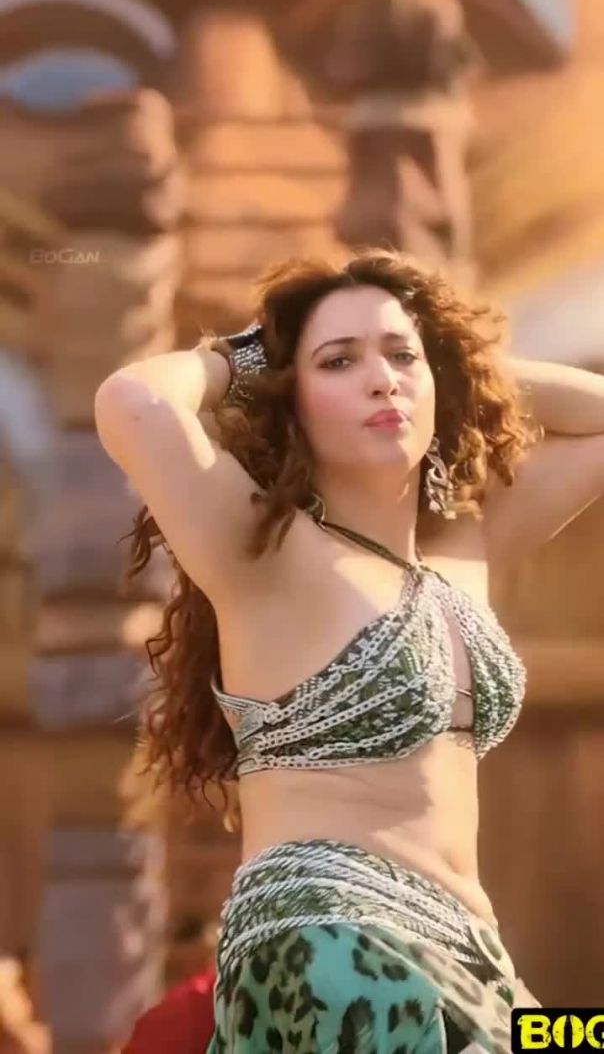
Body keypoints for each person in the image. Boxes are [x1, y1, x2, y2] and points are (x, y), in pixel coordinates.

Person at [96, 249, 604, 1052]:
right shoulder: (262, 551)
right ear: (289, 398)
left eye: (400, 358)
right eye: (339, 362)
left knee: (582, 1039)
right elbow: (133, 402)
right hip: (331, 938)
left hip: (471, 959)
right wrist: (256, 355)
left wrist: (450, 361)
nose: (381, 380)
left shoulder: (464, 547)